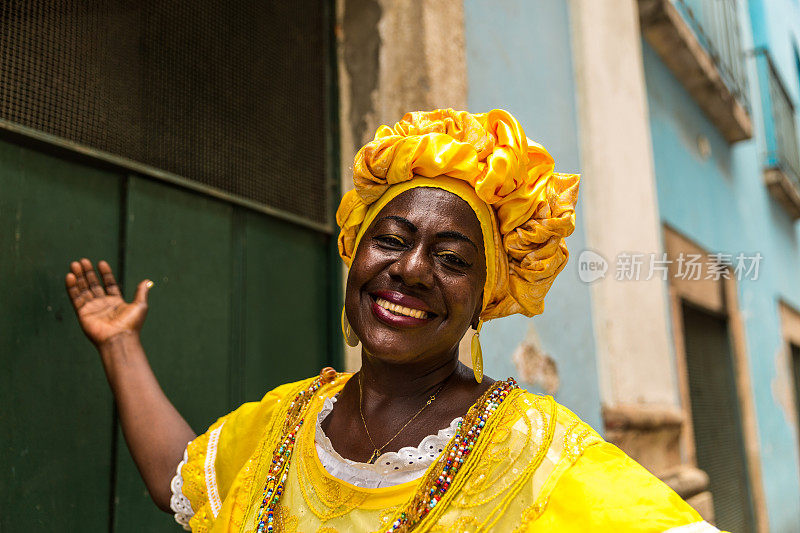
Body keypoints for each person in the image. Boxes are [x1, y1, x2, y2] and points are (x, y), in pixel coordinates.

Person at [66, 109, 721, 532]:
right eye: (393, 238)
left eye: (451, 257)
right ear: (355, 251)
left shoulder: (532, 451)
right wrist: (121, 344)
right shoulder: (289, 419)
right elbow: (182, 475)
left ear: (484, 296)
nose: (410, 268)